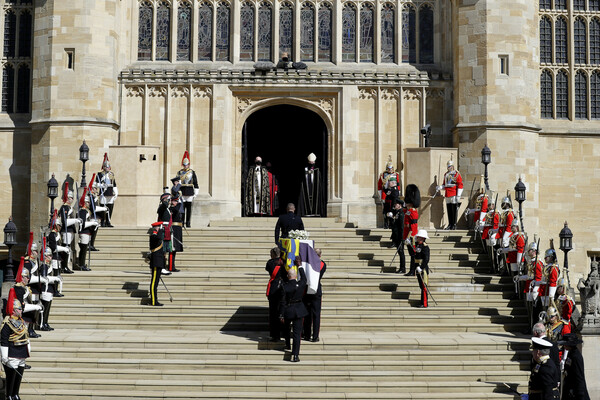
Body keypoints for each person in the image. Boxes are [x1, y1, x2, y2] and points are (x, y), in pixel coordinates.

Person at [1, 298, 30, 400]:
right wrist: (4, 356)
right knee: (11, 378)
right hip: (12, 353)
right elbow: (4, 340)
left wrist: (28, 348)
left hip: (22, 353)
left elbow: (25, 336)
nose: (21, 310)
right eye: (19, 309)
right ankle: (9, 395)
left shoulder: (21, 321)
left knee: (18, 378)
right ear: (13, 310)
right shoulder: (7, 323)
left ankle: (15, 394)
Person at [279, 259, 308, 362]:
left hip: (288, 310)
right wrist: (299, 266)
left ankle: (287, 344)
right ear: (295, 276)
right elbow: (304, 278)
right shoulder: (300, 284)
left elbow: (282, 302)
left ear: (288, 276)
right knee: (297, 334)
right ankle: (295, 355)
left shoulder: (284, 287)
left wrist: (281, 314)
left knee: (286, 329)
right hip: (299, 310)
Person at [303, 248, 326, 342]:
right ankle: (315, 336)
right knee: (316, 315)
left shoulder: (308, 264)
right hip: (316, 290)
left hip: (308, 290)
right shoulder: (322, 264)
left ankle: (307, 334)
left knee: (308, 314)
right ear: (320, 255)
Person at [558, 333, 591, 400]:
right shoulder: (570, 353)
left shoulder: (576, 357)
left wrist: (580, 394)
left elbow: (579, 375)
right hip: (569, 387)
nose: (564, 346)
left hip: (575, 391)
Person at [58, 183, 80, 273]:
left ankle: (66, 266)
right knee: (65, 247)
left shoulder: (69, 207)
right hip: (66, 230)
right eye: (70, 198)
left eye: (72, 198)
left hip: (70, 230)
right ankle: (64, 266)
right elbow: (65, 222)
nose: (71, 199)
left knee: (68, 248)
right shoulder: (64, 207)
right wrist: (75, 220)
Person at [265, 247, 285, 342]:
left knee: (273, 313)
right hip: (283, 289)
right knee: (281, 312)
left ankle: (275, 335)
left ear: (273, 254)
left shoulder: (270, 262)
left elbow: (268, 270)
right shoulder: (284, 262)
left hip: (273, 288)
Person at [406, 230, 431, 308]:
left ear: (423, 238)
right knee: (421, 286)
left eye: (419, 237)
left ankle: (424, 303)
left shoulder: (425, 246)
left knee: (423, 286)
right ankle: (422, 302)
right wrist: (408, 245)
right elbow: (413, 253)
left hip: (422, 268)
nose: (418, 238)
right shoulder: (418, 245)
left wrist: (421, 267)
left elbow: (426, 259)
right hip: (417, 267)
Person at [437, 159, 463, 230]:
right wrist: (440, 187)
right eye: (447, 166)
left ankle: (454, 224)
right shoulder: (446, 174)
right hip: (447, 194)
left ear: (452, 166)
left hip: (454, 193)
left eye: (449, 166)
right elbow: (445, 185)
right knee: (449, 209)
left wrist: (458, 195)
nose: (448, 168)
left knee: (454, 209)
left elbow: (460, 185)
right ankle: (450, 224)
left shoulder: (457, 174)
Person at [76, 189, 98, 271]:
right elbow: (83, 223)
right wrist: (92, 223)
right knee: (83, 249)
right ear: (85, 203)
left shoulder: (86, 211)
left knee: (84, 249)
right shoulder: (83, 211)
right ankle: (81, 265)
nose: (89, 204)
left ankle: (82, 264)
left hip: (87, 232)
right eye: (88, 202)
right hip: (84, 232)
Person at [177, 151, 199, 227]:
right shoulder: (180, 172)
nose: (185, 166)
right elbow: (177, 182)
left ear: (189, 164)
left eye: (187, 165)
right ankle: (182, 221)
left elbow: (195, 182)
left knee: (189, 208)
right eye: (184, 165)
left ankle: (188, 222)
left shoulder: (192, 172)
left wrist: (196, 193)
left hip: (189, 190)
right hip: (182, 191)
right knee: (182, 208)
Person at [298, 153, 325, 217]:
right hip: (306, 186)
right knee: (305, 197)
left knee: (315, 198)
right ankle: (306, 212)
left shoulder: (317, 169)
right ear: (308, 162)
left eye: (312, 162)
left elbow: (319, 180)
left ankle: (316, 212)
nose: (311, 163)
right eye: (310, 162)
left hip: (314, 187)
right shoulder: (305, 169)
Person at [95, 152, 118, 227]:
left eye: (108, 167)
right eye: (106, 167)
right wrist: (102, 185)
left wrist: (116, 192)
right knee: (102, 208)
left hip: (110, 193)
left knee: (110, 208)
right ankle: (102, 221)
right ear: (103, 167)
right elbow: (96, 184)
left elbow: (114, 184)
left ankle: (108, 221)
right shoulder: (100, 174)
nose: (107, 168)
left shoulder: (112, 174)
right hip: (103, 193)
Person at [378, 158, 401, 228]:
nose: (390, 170)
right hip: (386, 193)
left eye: (391, 168)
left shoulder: (396, 175)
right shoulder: (383, 175)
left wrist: (398, 193)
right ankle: (386, 222)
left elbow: (398, 185)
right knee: (386, 209)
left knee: (393, 208)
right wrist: (381, 195)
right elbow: (380, 185)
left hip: (394, 193)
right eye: (389, 168)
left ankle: (392, 223)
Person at [403, 184, 421, 275]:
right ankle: (411, 271)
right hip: (407, 235)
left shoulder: (413, 212)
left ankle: (412, 271)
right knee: (411, 254)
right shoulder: (408, 211)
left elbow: (413, 226)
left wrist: (409, 237)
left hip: (411, 236)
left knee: (413, 254)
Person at [148, 221, 165, 306]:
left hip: (159, 262)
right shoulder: (153, 236)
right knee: (154, 282)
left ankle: (155, 300)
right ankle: (154, 301)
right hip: (155, 262)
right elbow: (158, 237)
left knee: (156, 282)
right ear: (156, 228)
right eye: (160, 227)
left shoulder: (157, 236)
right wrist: (160, 230)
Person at [157, 192, 173, 276]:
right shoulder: (162, 207)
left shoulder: (167, 208)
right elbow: (163, 206)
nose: (170, 201)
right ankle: (162, 268)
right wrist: (165, 200)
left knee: (165, 251)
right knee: (162, 251)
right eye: (169, 199)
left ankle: (163, 267)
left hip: (167, 230)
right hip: (163, 230)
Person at [168, 194, 183, 273]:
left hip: (178, 229)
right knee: (172, 249)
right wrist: (179, 203)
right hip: (174, 229)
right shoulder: (171, 208)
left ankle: (172, 266)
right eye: (175, 201)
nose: (176, 202)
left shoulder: (175, 207)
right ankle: (171, 267)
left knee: (175, 249)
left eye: (177, 201)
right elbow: (177, 209)